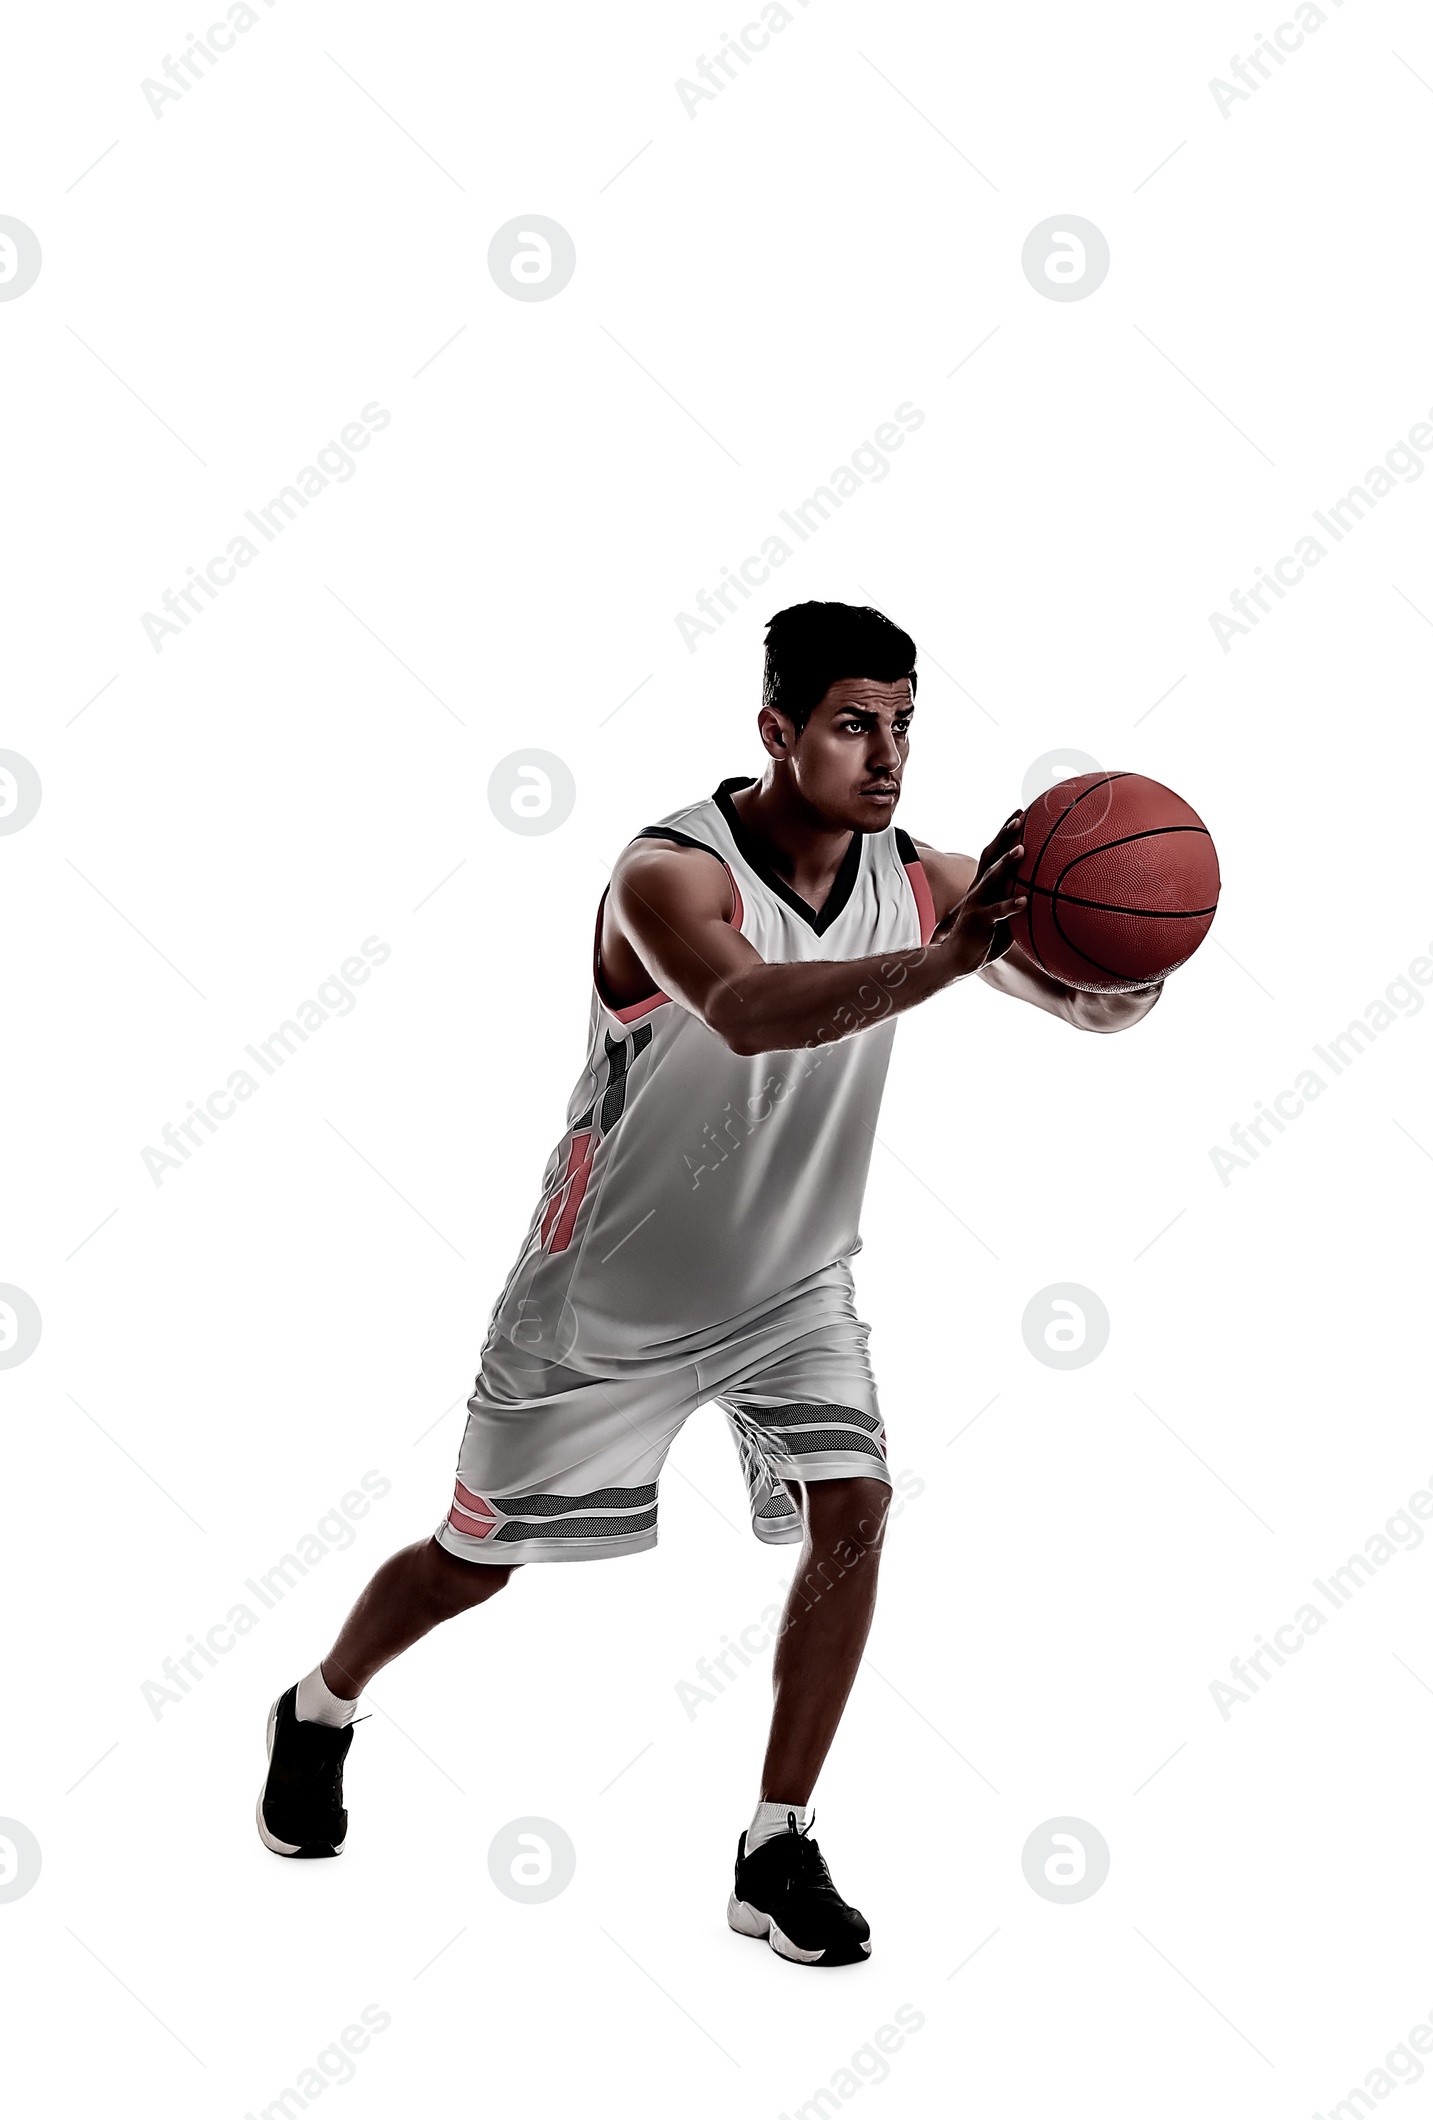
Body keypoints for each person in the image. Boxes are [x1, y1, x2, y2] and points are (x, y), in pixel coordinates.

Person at [256, 600, 1160, 1965]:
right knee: (470, 1569)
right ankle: (320, 1707)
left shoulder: (921, 883)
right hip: (602, 1299)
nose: (887, 755)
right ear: (776, 730)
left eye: (906, 723)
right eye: (855, 724)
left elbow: (1080, 1004)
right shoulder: (670, 876)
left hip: (791, 1293)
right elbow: (744, 1012)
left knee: (856, 1508)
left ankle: (775, 1845)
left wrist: (1121, 954)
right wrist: (955, 957)